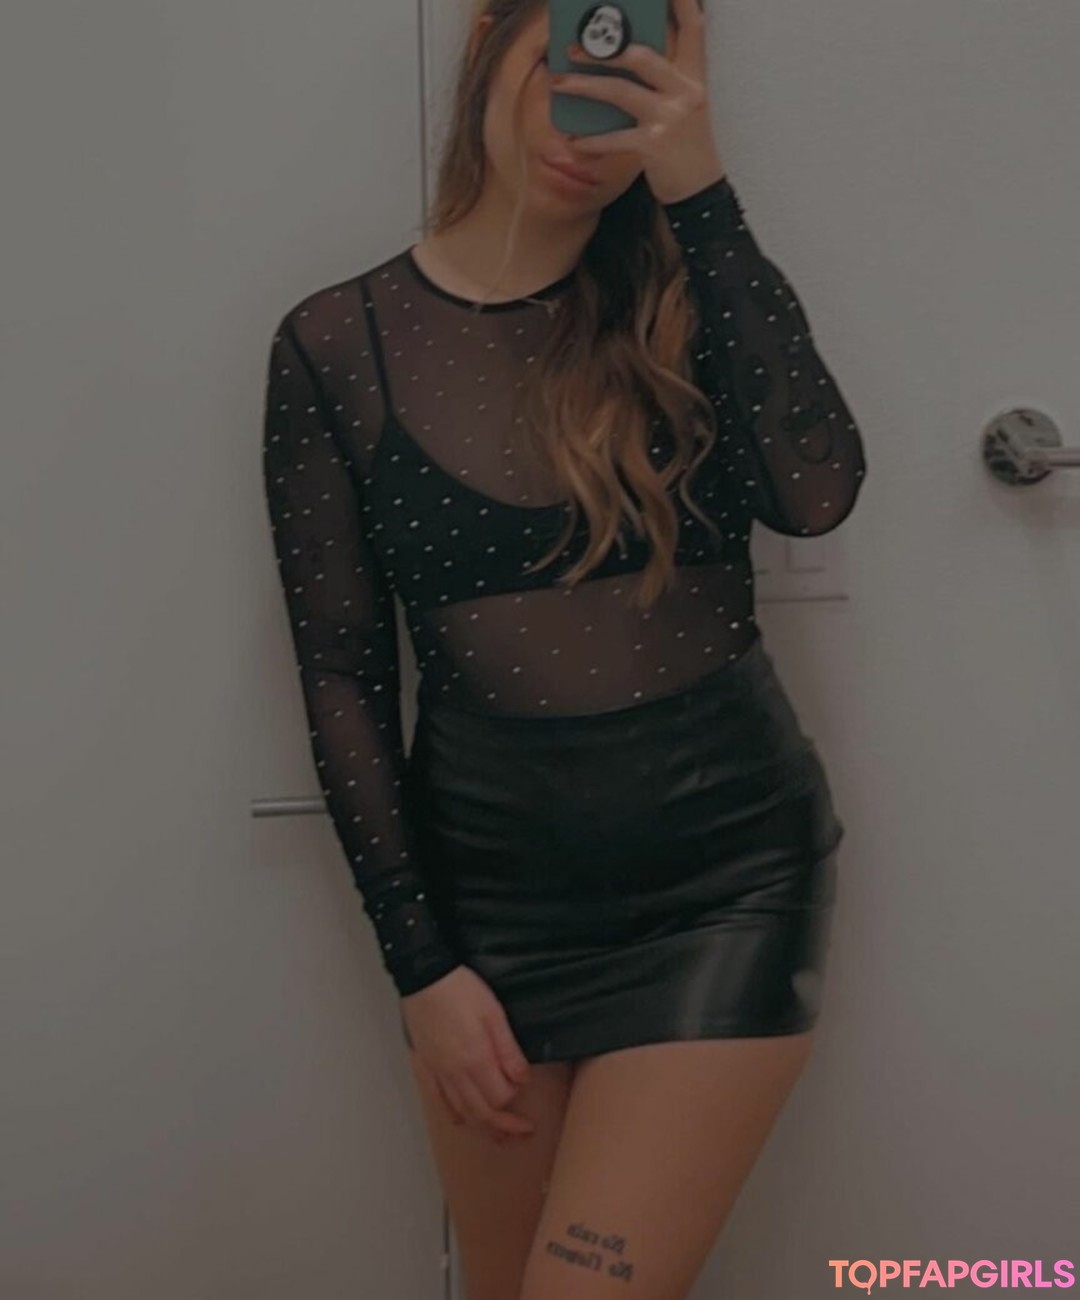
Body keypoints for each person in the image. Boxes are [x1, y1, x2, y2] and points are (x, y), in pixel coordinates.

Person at [261, 1, 867, 1296]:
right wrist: (421, 965)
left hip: (725, 889)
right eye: (573, 57)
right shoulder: (335, 343)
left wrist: (700, 191)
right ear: (492, 37)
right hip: (490, 913)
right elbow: (344, 675)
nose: (588, 122)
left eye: (644, 73)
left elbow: (816, 492)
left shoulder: (688, 302)